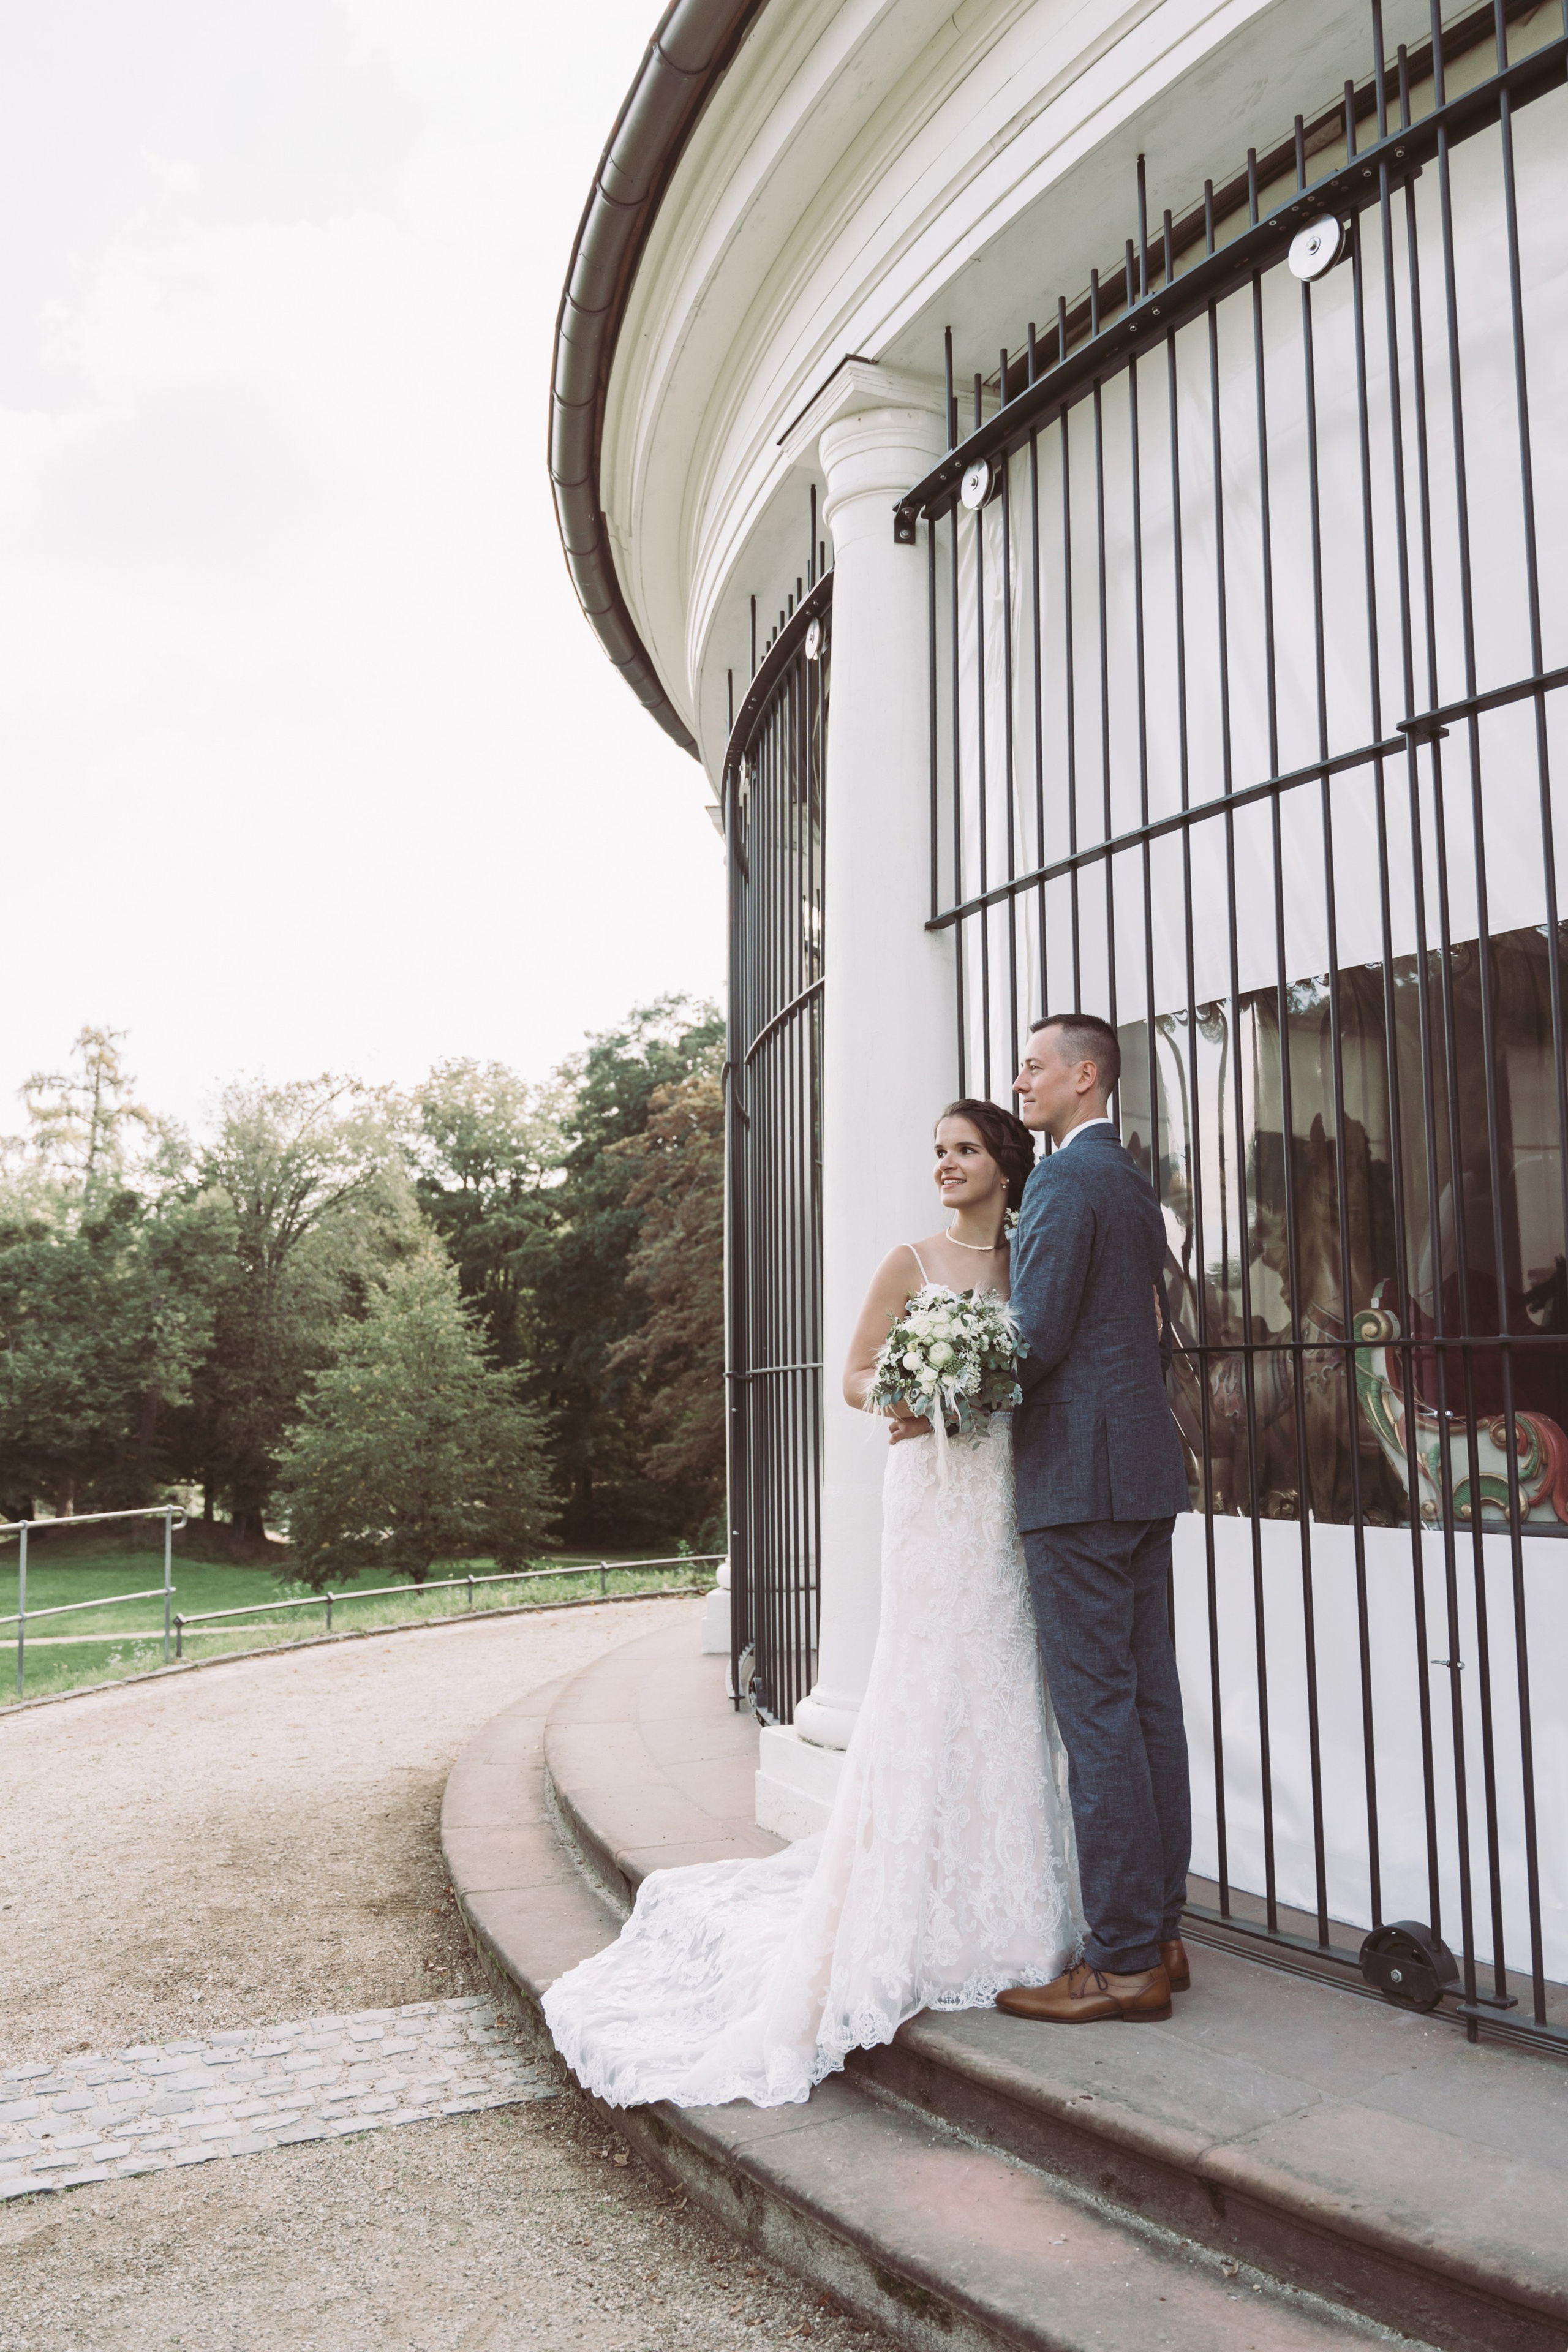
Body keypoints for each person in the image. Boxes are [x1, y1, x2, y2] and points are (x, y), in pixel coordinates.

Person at [541, 1100, 1082, 2109]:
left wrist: (985, 1385)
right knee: (926, 1678)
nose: (947, 1166)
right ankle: (901, 1903)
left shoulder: (1028, 1264)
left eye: (965, 1150)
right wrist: (922, 1389)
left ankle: (1008, 1910)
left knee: (1006, 1681)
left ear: (1005, 1164)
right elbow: (852, 1380)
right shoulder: (909, 1263)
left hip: (1006, 1492)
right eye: (938, 1152)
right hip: (929, 1494)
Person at [998, 1014, 1192, 2026]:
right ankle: (1161, 1932)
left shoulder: (1067, 1181)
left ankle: (1120, 1964)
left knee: (1101, 1715)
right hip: (1144, 1472)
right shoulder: (1128, 1175)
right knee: (1148, 1702)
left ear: (1084, 1076)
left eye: (1034, 1066)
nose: (1019, 1079)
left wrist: (937, 1384)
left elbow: (1034, 1338)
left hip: (1079, 1480)